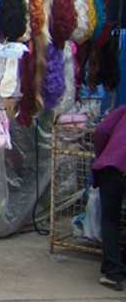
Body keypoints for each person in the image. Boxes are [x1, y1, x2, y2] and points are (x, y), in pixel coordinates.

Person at [93, 106, 126, 291]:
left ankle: (113, 273)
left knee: (110, 220)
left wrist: (103, 154)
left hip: (114, 167)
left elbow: (101, 130)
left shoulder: (123, 110)